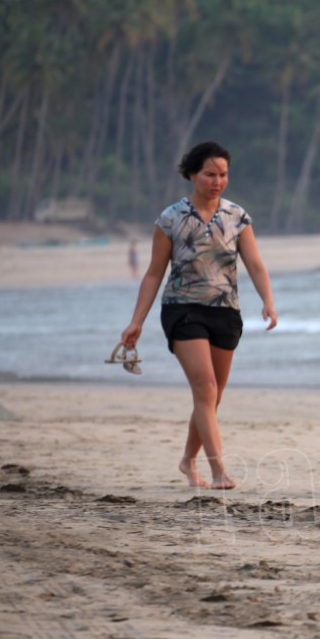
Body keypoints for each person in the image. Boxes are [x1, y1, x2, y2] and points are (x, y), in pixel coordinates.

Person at [121, 141, 277, 490]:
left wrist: (268, 300)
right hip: (182, 309)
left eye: (223, 174)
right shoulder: (170, 218)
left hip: (226, 312)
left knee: (212, 396)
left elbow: (254, 263)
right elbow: (153, 273)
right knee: (205, 387)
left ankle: (187, 460)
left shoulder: (237, 216)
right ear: (193, 174)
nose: (217, 180)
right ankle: (218, 469)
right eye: (209, 174)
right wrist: (137, 321)